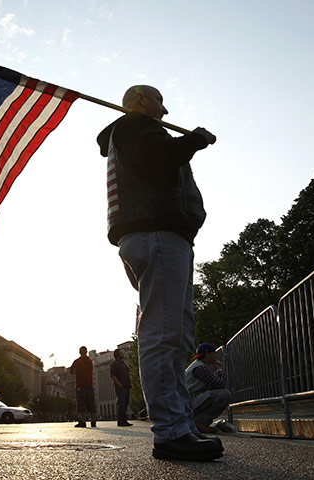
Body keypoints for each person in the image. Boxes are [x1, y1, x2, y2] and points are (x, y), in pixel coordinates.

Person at [96, 85, 222, 461]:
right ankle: (170, 432)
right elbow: (158, 162)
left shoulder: (137, 132)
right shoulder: (137, 128)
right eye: (159, 102)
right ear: (140, 102)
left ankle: (178, 425)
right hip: (156, 233)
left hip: (162, 235)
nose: (165, 111)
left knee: (176, 333)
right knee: (163, 334)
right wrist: (195, 139)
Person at [185, 343, 232, 433]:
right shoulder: (200, 367)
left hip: (190, 401)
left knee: (215, 395)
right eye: (214, 353)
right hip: (191, 401)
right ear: (207, 354)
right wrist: (219, 370)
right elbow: (219, 385)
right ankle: (200, 421)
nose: (216, 355)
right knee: (224, 395)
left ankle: (200, 422)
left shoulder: (199, 365)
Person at [69, 346, 97, 428]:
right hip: (89, 385)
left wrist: (77, 371)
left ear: (79, 352)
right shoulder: (89, 361)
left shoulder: (77, 361)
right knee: (91, 404)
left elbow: (71, 371)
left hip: (80, 385)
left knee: (81, 404)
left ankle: (83, 421)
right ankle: (93, 422)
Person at [110, 348, 132, 426]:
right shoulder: (114, 364)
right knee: (121, 403)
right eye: (121, 353)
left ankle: (124, 420)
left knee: (126, 403)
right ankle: (121, 420)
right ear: (117, 354)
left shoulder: (123, 363)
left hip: (126, 386)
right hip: (121, 387)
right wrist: (119, 385)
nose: (123, 354)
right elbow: (113, 376)